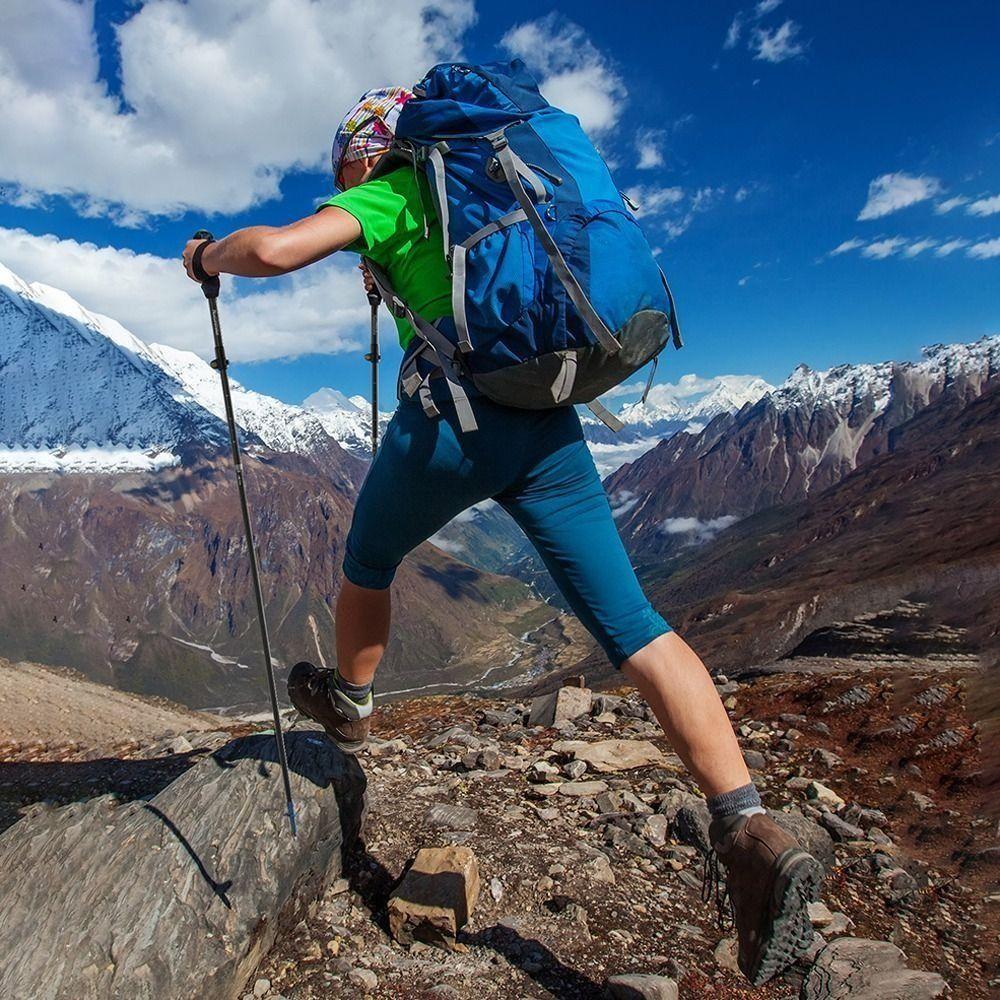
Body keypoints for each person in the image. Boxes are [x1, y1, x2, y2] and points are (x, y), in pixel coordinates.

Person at [181, 86, 821, 986]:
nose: (341, 183)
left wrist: (210, 253)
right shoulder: (492, 191)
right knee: (635, 623)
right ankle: (746, 824)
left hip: (454, 426)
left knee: (368, 559)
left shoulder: (391, 191)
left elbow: (280, 250)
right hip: (546, 421)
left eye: (341, 168)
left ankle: (352, 705)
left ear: (369, 151)